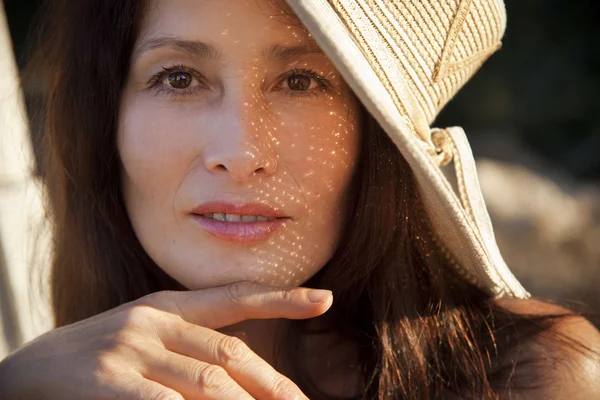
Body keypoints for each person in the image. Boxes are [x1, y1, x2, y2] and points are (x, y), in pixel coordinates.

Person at [1, 0, 599, 398]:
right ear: (106, 123)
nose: (238, 151)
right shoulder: (55, 380)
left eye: (301, 81)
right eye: (178, 77)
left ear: (380, 137)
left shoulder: (532, 378)